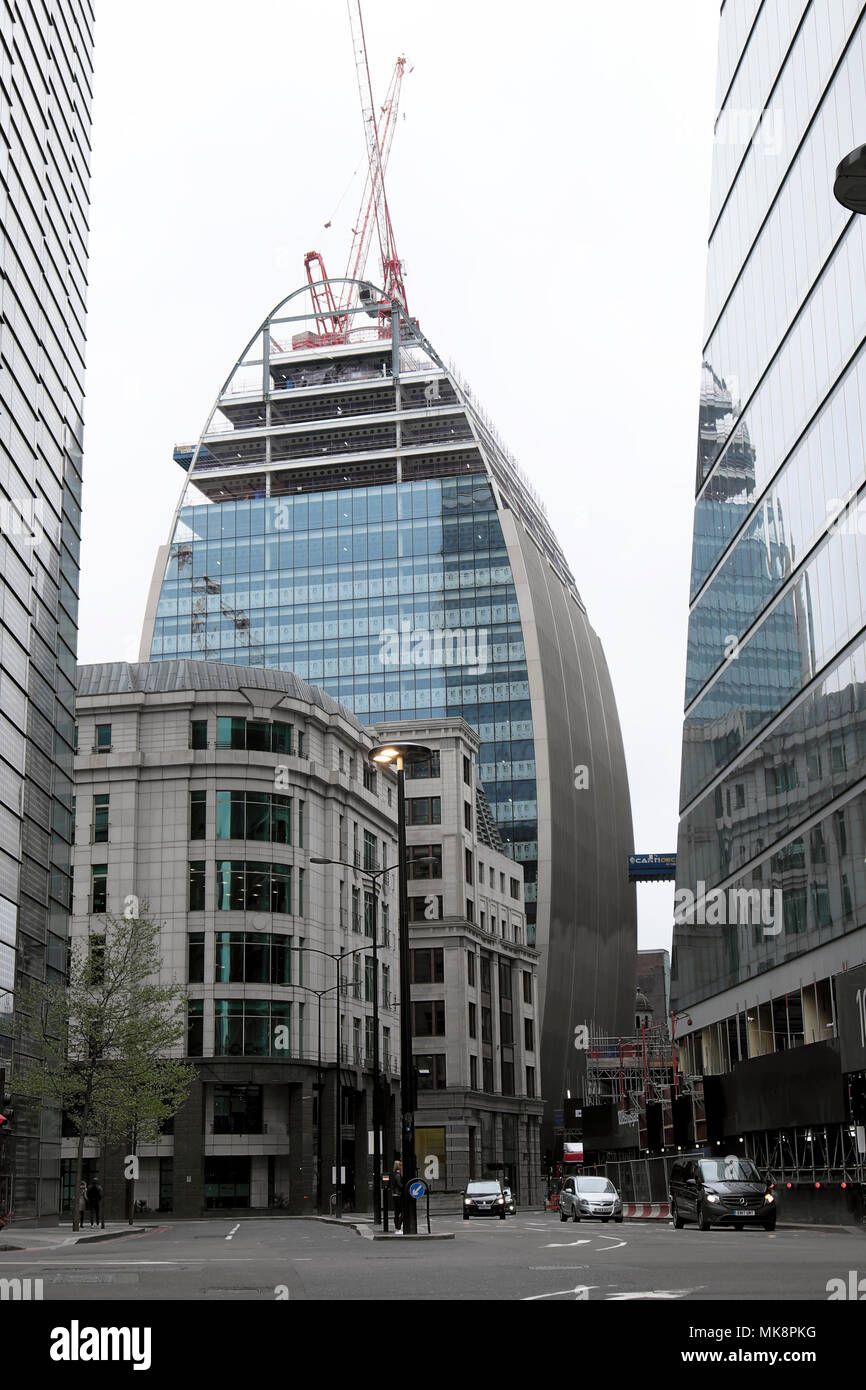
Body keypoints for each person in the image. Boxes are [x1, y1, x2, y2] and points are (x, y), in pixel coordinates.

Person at [391, 1159, 404, 1232]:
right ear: (399, 1166)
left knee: (396, 1213)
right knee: (403, 1212)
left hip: (394, 1195)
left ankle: (397, 1228)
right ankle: (398, 1227)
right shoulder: (398, 1175)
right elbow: (400, 1185)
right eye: (401, 1165)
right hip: (399, 1195)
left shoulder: (393, 1174)